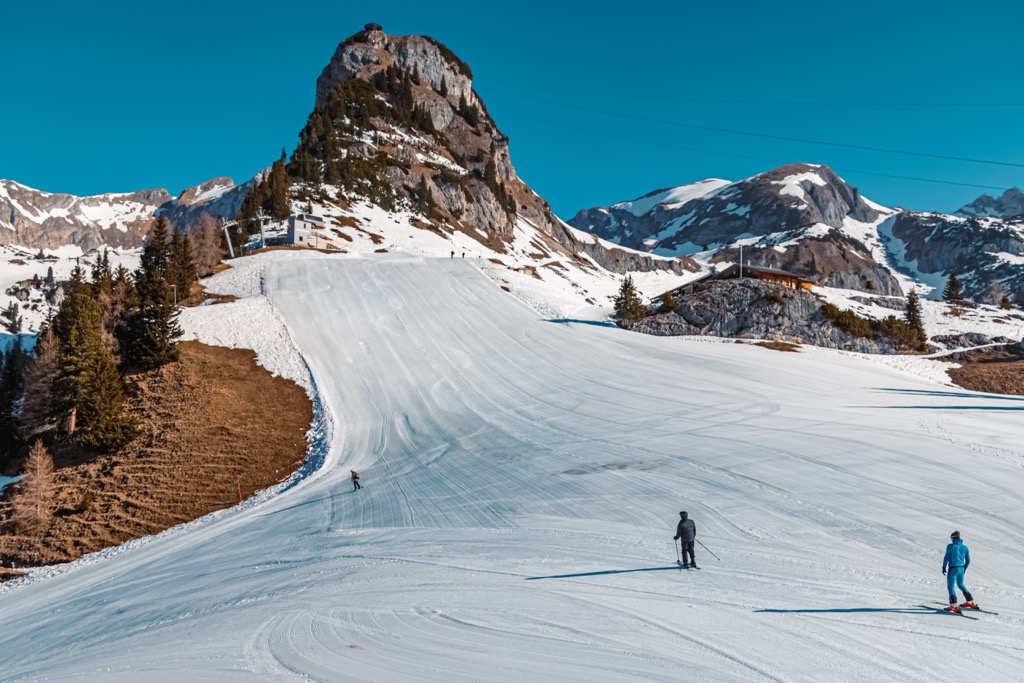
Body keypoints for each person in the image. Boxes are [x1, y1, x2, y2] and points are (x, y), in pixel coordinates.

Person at [942, 530, 975, 612]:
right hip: (961, 568)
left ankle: (954, 605)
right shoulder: (965, 547)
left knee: (950, 586)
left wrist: (943, 567)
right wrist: (964, 568)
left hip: (953, 568)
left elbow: (946, 557)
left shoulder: (950, 546)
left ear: (953, 537)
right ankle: (970, 602)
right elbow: (968, 560)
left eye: (951, 538)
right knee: (961, 585)